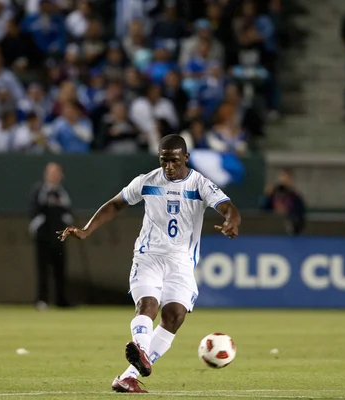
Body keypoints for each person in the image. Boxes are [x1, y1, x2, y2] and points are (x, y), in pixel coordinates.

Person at [57, 134, 241, 394]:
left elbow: (228, 207)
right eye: (164, 160)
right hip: (148, 256)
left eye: (174, 161)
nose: (168, 166)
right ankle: (141, 352)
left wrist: (232, 222)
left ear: (186, 158)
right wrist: (87, 230)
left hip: (181, 262)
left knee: (174, 316)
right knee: (148, 305)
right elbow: (116, 204)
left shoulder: (200, 184)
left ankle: (127, 377)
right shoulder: (147, 181)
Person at [30, 162, 73, 310]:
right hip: (43, 237)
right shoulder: (40, 191)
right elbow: (35, 213)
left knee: (60, 269)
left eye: (57, 172)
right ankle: (42, 300)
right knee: (43, 269)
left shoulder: (62, 193)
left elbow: (67, 214)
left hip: (59, 237)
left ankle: (61, 300)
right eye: (51, 172)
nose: (54, 176)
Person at [260, 169, 306, 235]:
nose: (283, 184)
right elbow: (262, 211)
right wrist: (266, 196)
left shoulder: (296, 198)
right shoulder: (272, 195)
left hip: (289, 231)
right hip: (271, 231)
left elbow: (300, 216)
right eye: (281, 181)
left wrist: (286, 212)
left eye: (286, 181)